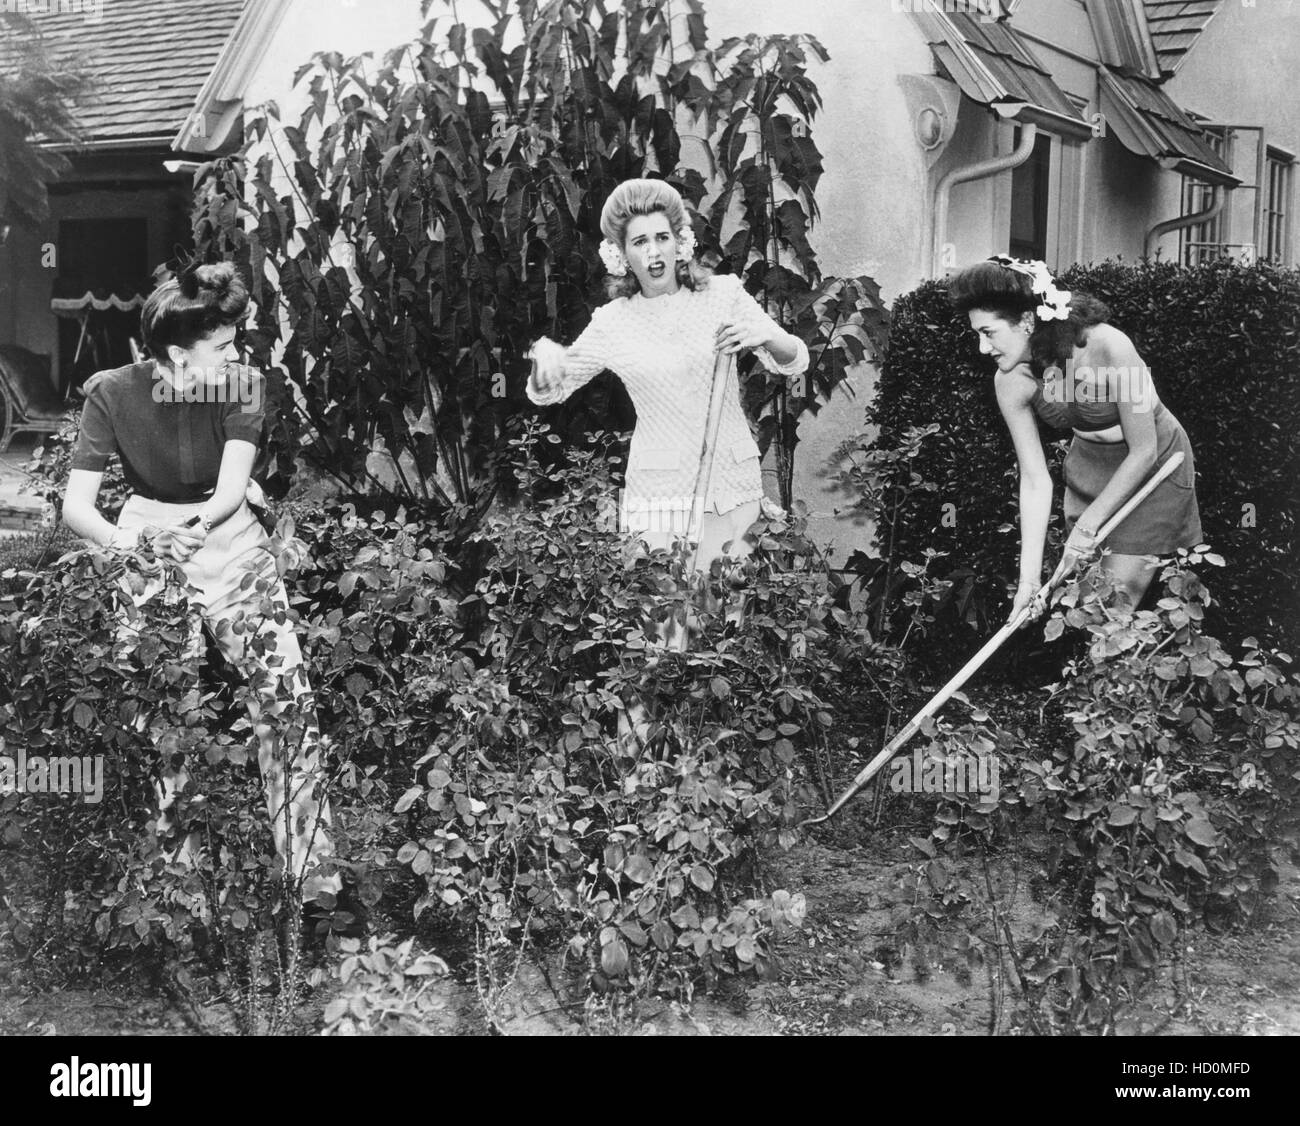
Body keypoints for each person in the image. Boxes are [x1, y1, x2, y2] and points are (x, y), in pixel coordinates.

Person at [61, 261, 339, 919]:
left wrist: (195, 528)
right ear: (179, 353)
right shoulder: (112, 393)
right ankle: (177, 894)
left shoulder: (243, 384)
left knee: (288, 701)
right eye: (225, 344)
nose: (240, 354)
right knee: (161, 715)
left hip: (230, 535)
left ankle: (315, 883)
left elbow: (231, 487)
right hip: (147, 538)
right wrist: (139, 547)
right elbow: (78, 508)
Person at [527, 177, 809, 579]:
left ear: (681, 241)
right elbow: (549, 390)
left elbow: (795, 360)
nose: (654, 251)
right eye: (639, 242)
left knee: (729, 622)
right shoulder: (614, 322)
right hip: (659, 494)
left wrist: (769, 335)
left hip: (730, 484)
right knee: (666, 628)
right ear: (620, 255)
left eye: (662, 236)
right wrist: (545, 359)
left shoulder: (723, 295)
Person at [949, 255, 1202, 623]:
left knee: (1112, 607)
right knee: (1085, 607)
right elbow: (1035, 480)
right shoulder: (1009, 382)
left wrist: (1086, 528)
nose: (982, 349)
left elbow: (1144, 449)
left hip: (1153, 466)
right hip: (1089, 472)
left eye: (988, 333)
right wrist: (1028, 582)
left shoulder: (1112, 347)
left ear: (1026, 321)